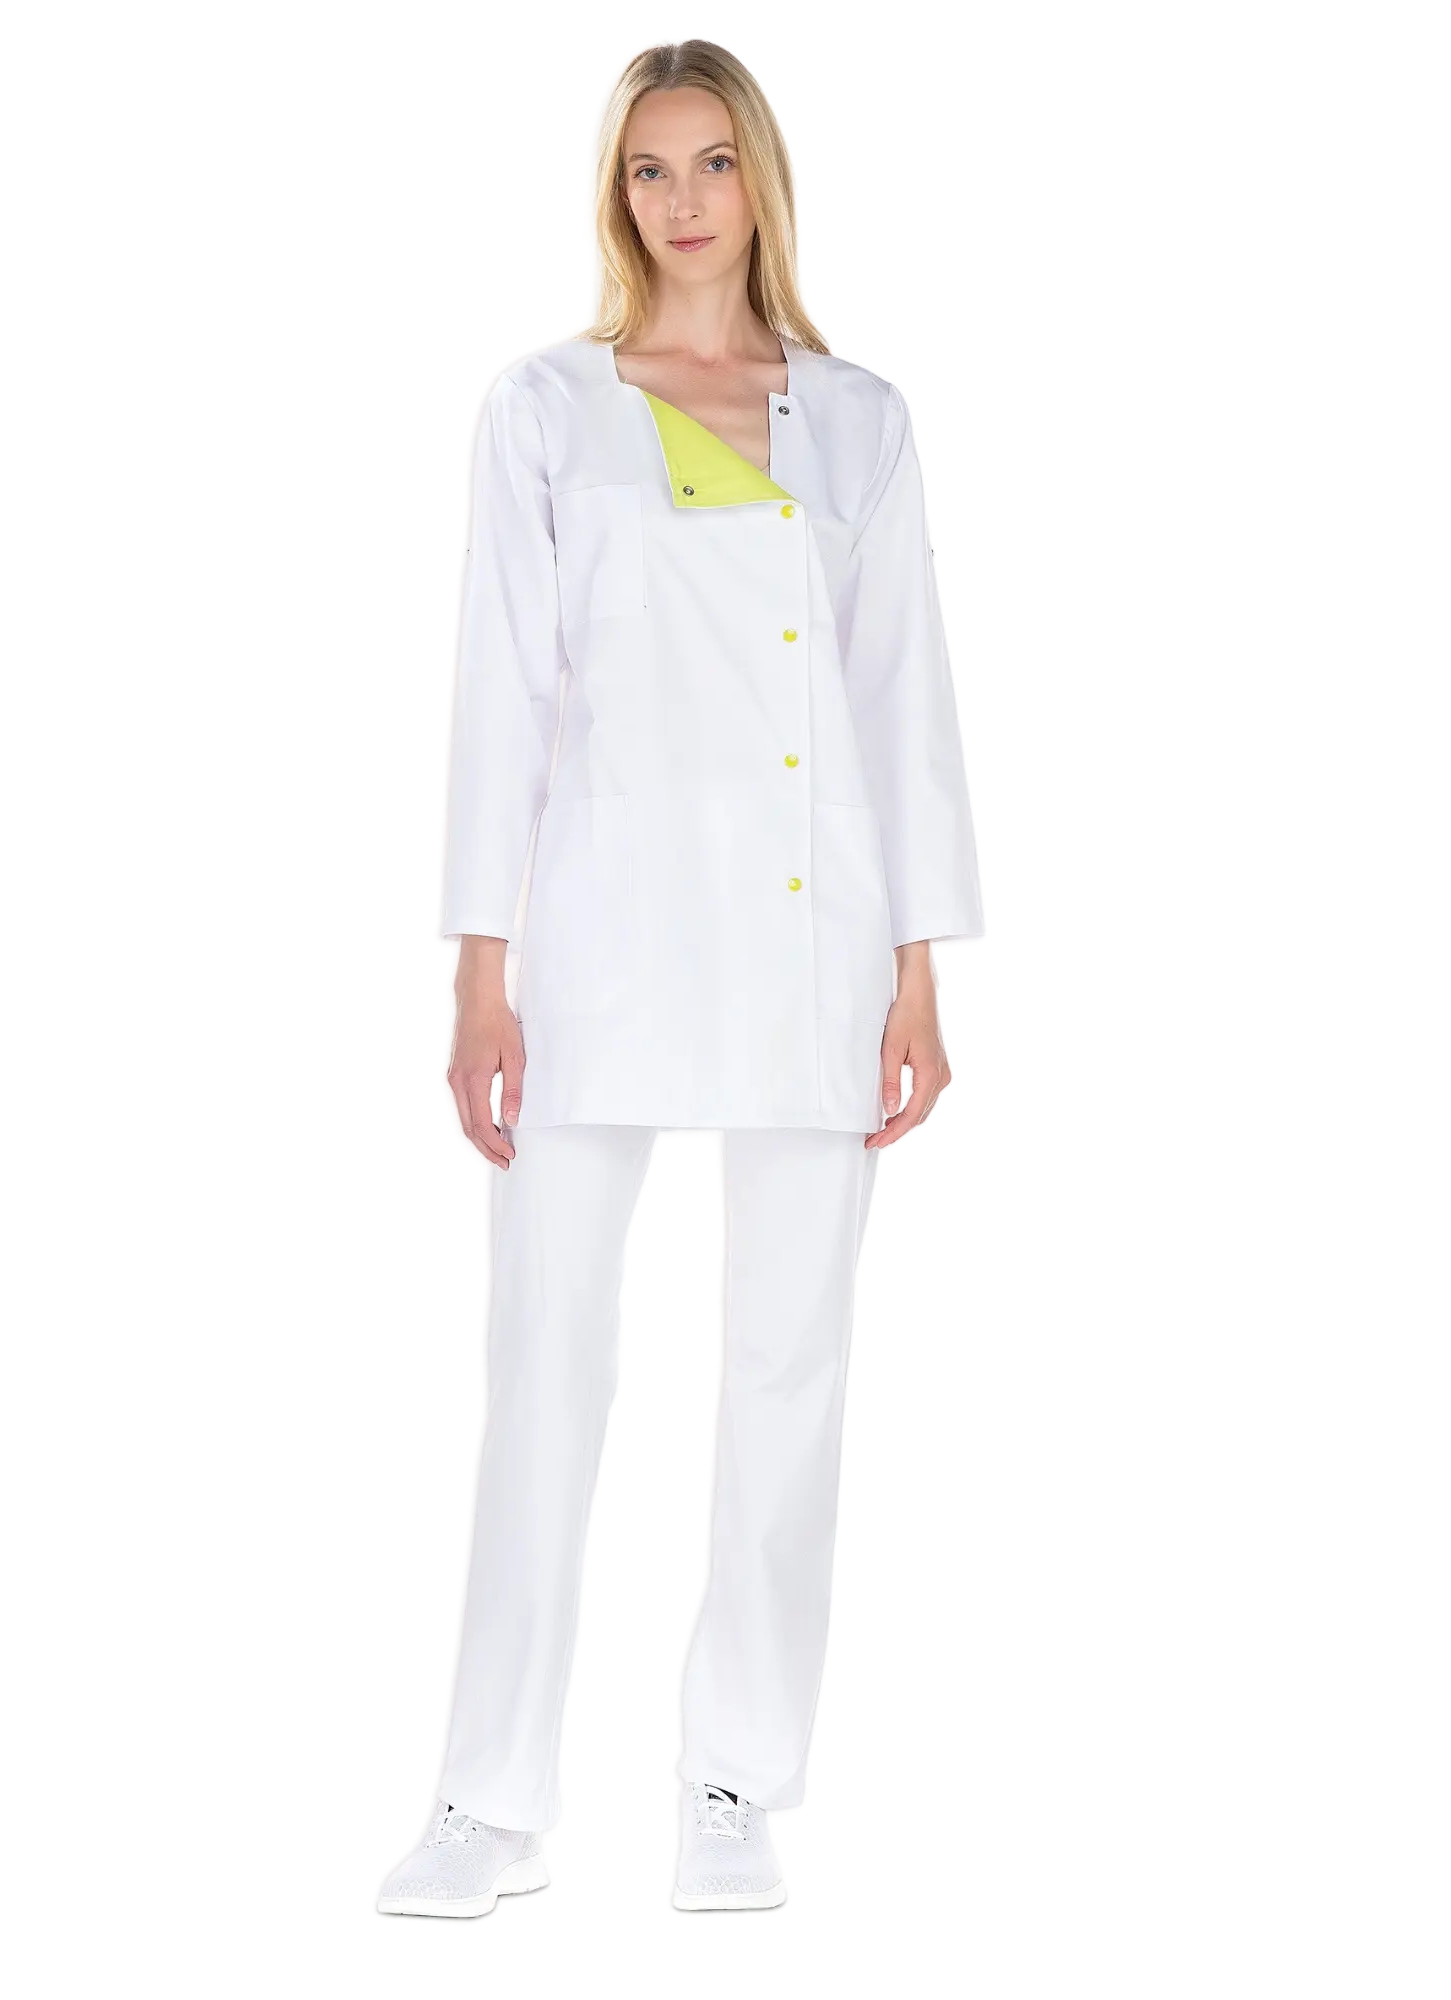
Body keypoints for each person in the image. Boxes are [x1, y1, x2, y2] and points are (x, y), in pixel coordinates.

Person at [381, 36, 985, 1920]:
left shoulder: (860, 419)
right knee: (544, 1374)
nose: (685, 201)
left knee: (789, 1380)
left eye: (714, 162)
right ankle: (490, 1801)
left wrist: (920, 971)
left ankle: (733, 1790)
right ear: (613, 198)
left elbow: (906, 700)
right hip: (598, 947)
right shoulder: (542, 409)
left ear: (764, 183)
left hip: (814, 947)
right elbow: (498, 695)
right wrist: (477, 974)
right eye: (650, 170)